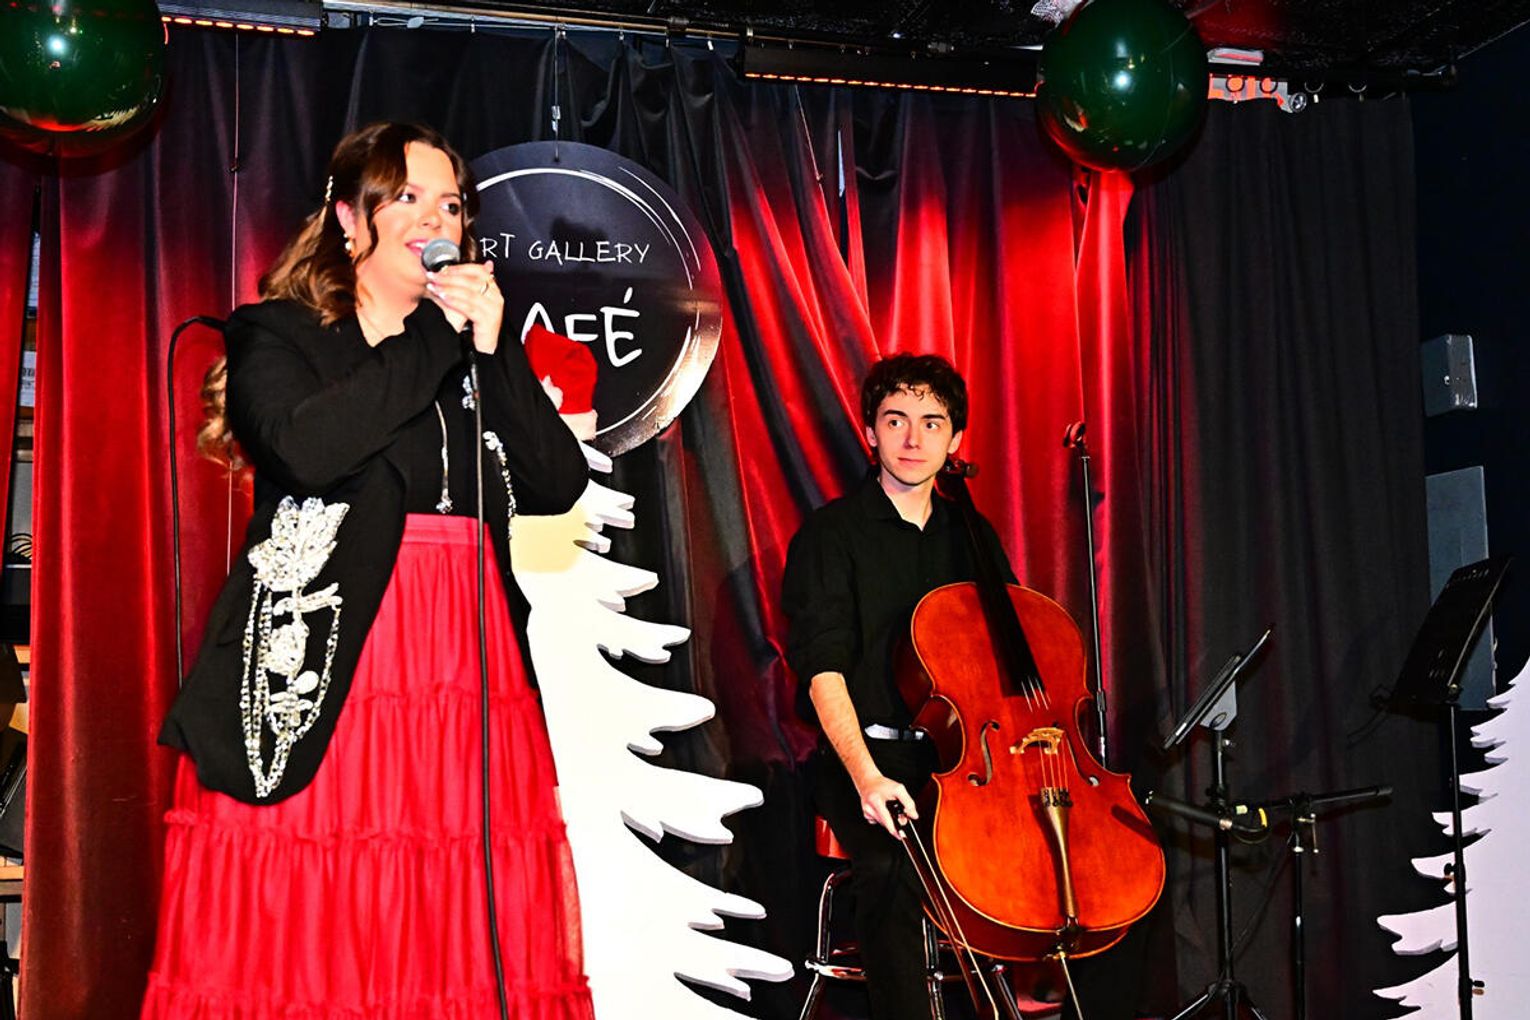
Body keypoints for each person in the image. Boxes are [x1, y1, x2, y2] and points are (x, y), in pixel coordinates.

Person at [142, 122, 595, 1019]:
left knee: (446, 911)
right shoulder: (277, 334)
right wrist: (436, 335)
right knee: (316, 907)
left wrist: (495, 349)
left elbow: (554, 483)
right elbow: (309, 450)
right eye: (410, 198)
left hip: (461, 660)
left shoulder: (470, 346)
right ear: (350, 218)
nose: (438, 221)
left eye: (452, 206)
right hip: (330, 649)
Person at [782, 353, 1015, 1020]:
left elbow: (1010, 659)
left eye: (932, 423)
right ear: (870, 433)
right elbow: (822, 670)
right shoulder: (830, 535)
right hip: (866, 757)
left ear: (955, 439)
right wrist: (867, 779)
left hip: (962, 763)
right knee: (892, 868)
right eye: (896, 421)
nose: (914, 439)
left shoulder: (973, 536)